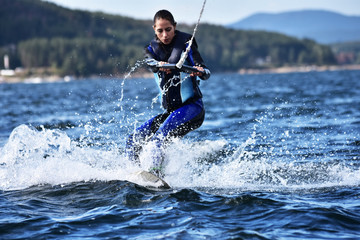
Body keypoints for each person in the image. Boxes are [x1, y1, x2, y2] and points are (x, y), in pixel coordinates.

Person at [126, 9, 211, 177]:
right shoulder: (151, 49)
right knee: (132, 140)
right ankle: (135, 173)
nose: (164, 34)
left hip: (192, 109)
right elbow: (150, 63)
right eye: (160, 30)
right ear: (154, 29)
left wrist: (199, 70)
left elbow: (200, 64)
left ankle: (156, 175)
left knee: (158, 140)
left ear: (174, 27)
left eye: (168, 29)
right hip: (170, 113)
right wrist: (159, 65)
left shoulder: (187, 42)